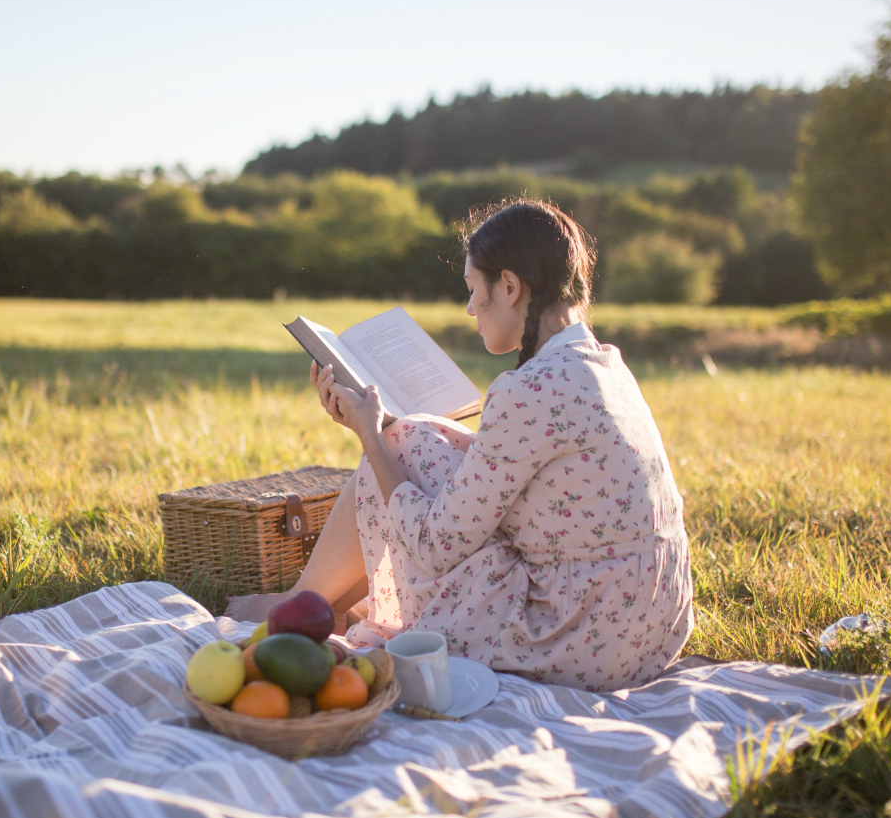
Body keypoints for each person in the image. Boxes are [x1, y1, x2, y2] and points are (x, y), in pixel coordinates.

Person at [228, 200, 693, 692]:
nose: (470, 309)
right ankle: (325, 601)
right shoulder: (605, 365)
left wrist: (370, 433)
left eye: (474, 291)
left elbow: (436, 546)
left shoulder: (529, 390)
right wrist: (392, 428)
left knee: (396, 447)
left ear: (510, 287)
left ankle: (304, 601)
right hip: (652, 628)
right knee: (413, 436)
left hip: (575, 639)